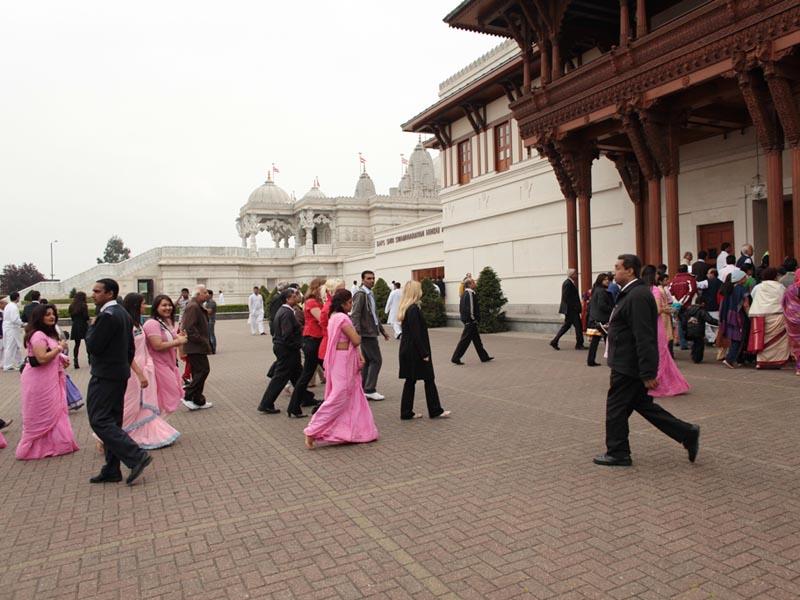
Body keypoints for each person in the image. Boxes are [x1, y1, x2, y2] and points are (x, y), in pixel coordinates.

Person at [593, 254, 700, 467]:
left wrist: (649, 372)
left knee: (615, 409)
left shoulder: (638, 295)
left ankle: (618, 452)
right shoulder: (631, 294)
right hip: (627, 364)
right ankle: (686, 433)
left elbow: (644, 336)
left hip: (629, 366)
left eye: (617, 268)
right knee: (643, 406)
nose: (614, 272)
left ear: (630, 270)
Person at [85, 278, 152, 485]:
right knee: (113, 421)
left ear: (110, 294)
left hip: (105, 375)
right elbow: (130, 348)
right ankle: (112, 468)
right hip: (119, 374)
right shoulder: (123, 314)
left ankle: (135, 455)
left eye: (97, 291)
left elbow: (93, 346)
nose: (93, 294)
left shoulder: (106, 316)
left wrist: (91, 329)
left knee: (99, 420)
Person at [303, 289, 379, 449]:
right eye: (350, 302)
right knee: (340, 395)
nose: (352, 304)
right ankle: (312, 429)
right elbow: (356, 339)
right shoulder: (342, 318)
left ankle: (351, 430)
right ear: (343, 303)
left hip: (341, 358)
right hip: (343, 361)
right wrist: (358, 338)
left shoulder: (333, 317)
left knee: (351, 394)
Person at [15, 303, 79, 460]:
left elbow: (49, 355)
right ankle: (34, 449)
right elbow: (41, 358)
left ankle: (57, 444)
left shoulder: (47, 335)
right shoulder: (37, 335)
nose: (52, 317)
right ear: (39, 317)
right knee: (42, 413)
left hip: (50, 379)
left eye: (53, 314)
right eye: (47, 314)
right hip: (38, 382)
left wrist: (61, 357)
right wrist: (59, 348)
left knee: (55, 410)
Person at [120, 293, 180, 449]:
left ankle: (139, 433)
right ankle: (109, 434)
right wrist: (139, 372)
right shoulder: (127, 325)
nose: (144, 306)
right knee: (130, 404)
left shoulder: (138, 324)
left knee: (143, 404)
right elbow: (127, 351)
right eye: (142, 303)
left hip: (145, 366)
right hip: (133, 369)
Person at [397, 281, 451, 421]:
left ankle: (406, 412)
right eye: (419, 289)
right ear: (416, 291)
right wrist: (424, 353)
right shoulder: (413, 309)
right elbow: (416, 334)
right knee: (429, 379)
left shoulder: (407, 308)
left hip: (407, 350)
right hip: (415, 352)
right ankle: (435, 410)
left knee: (410, 381)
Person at [644, 266, 690, 397]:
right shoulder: (656, 290)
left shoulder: (643, 290)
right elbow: (657, 309)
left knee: (657, 353)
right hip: (658, 323)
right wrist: (666, 309)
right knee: (661, 354)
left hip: (648, 324)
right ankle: (660, 383)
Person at [258, 288, 303, 415]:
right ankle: (266, 403)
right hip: (286, 349)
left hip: (285, 348)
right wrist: (297, 344)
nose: (296, 297)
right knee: (280, 378)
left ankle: (305, 397)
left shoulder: (284, 311)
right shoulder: (286, 313)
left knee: (298, 375)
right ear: (288, 299)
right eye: (294, 296)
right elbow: (287, 335)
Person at [287, 278, 326, 416]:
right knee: (306, 375)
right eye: (324, 287)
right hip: (312, 341)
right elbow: (322, 319)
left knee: (309, 374)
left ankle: (294, 407)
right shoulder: (311, 302)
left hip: (316, 341)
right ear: (318, 288)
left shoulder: (318, 301)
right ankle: (294, 407)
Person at [143, 295, 187, 415]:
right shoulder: (152, 323)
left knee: (168, 396)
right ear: (156, 307)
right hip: (158, 366)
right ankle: (157, 426)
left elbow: (174, 338)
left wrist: (179, 338)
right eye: (164, 305)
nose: (168, 308)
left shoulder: (165, 322)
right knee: (165, 397)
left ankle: (159, 426)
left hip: (169, 364)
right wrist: (178, 341)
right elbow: (157, 345)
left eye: (169, 305)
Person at [351, 270, 390, 401]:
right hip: (366, 333)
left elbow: (374, 315)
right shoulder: (361, 294)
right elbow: (355, 314)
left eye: (373, 278)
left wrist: (382, 330)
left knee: (368, 361)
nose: (372, 281)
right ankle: (370, 389)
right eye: (368, 278)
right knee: (377, 360)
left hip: (371, 331)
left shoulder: (370, 294)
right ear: (362, 280)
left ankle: (363, 388)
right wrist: (356, 332)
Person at [748, 267, 789, 369]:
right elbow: (784, 299)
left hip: (760, 315)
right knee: (779, 340)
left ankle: (761, 362)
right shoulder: (780, 287)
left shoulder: (758, 287)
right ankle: (778, 361)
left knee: (761, 339)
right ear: (775, 276)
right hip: (776, 315)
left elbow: (753, 297)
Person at [181, 285, 213, 410]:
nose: (207, 295)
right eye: (204, 292)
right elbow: (189, 327)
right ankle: (188, 395)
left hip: (197, 346)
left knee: (198, 372)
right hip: (195, 346)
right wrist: (202, 340)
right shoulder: (193, 306)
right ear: (198, 294)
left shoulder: (197, 306)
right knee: (203, 370)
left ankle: (198, 400)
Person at [451, 276, 493, 364]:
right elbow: (470, 309)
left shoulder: (465, 293)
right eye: (473, 282)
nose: (475, 283)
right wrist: (474, 319)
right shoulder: (469, 294)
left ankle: (484, 357)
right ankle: (455, 358)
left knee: (477, 341)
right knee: (464, 341)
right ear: (469, 284)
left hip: (469, 321)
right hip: (470, 322)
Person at [719, 269, 750, 369]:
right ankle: (730, 359)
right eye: (744, 277)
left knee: (733, 338)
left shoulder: (729, 288)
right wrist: (749, 315)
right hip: (739, 316)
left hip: (729, 316)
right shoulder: (742, 289)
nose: (746, 278)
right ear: (740, 279)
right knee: (738, 338)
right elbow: (746, 304)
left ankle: (731, 358)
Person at [550, 268, 585, 350]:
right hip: (571, 310)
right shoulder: (568, 283)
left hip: (571, 310)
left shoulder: (570, 283)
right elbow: (566, 297)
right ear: (572, 275)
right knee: (578, 327)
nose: (576, 275)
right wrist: (574, 307)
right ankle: (579, 344)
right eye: (575, 274)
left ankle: (554, 341)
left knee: (566, 326)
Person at [681, 297, 718, 363]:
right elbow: (709, 320)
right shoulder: (701, 311)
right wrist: (719, 323)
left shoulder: (688, 309)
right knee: (699, 344)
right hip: (699, 331)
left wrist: (685, 329)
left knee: (694, 343)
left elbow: (684, 320)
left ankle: (693, 356)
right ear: (703, 303)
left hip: (689, 330)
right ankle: (697, 358)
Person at [587, 273, 613, 367]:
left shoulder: (596, 290)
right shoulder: (602, 291)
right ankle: (611, 360)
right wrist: (613, 309)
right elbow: (602, 305)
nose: (607, 281)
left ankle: (591, 360)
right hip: (601, 320)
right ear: (600, 280)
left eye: (608, 279)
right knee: (608, 340)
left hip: (595, 319)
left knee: (596, 341)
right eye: (605, 279)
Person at [669, 264, 697, 350]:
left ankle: (683, 343)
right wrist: (682, 302)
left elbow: (670, 292)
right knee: (690, 323)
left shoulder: (673, 280)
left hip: (677, 306)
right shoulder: (690, 279)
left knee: (680, 324)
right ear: (687, 270)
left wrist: (676, 302)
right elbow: (692, 291)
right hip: (688, 305)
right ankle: (691, 342)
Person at [781, 278, 800, 375]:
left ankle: (799, 367)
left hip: (792, 319)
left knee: (797, 344)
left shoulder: (790, 289)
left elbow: (783, 303)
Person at [68, 291, 90, 369]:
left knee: (77, 344)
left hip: (75, 326)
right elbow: (86, 316)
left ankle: (76, 361)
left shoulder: (71, 306)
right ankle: (90, 360)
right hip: (83, 325)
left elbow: (72, 317)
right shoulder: (84, 305)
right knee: (87, 343)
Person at [3, 291, 23, 371]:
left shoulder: (8, 305)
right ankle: (7, 365)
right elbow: (14, 319)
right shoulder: (13, 307)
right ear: (17, 297)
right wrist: (23, 323)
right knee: (10, 347)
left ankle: (20, 362)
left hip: (9, 328)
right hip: (12, 329)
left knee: (16, 346)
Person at [205, 289, 218, 354]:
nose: (206, 295)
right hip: (208, 320)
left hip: (210, 320)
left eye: (207, 294)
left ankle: (213, 349)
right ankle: (211, 348)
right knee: (209, 335)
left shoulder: (211, 302)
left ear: (211, 295)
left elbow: (209, 311)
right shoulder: (207, 302)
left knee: (211, 335)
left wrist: (201, 308)